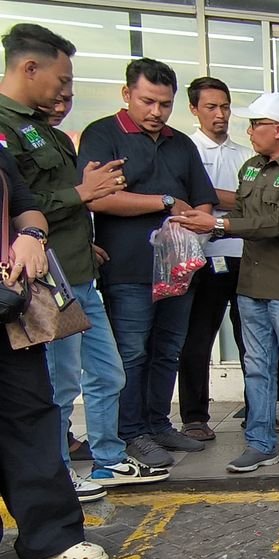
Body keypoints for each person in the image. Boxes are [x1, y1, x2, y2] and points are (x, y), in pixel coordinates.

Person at [0, 24, 168, 502]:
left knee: (108, 372)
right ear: (30, 68)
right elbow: (17, 204)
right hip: (44, 284)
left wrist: (83, 232)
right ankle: (58, 471)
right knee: (59, 384)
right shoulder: (5, 127)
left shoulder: (42, 129)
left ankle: (109, 459)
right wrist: (82, 193)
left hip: (78, 274)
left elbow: (53, 202)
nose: (65, 90)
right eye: (62, 78)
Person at [77, 58, 218, 469]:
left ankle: (158, 423)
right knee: (132, 352)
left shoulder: (180, 143)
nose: (156, 112)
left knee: (168, 349)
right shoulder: (104, 135)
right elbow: (98, 197)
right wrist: (165, 202)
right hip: (129, 270)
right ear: (127, 94)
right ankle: (132, 431)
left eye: (165, 104)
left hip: (179, 270)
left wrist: (195, 221)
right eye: (148, 102)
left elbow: (203, 198)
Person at [174, 92, 279, 472]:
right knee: (256, 366)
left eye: (256, 124)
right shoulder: (250, 169)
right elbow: (241, 213)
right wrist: (194, 227)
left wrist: (219, 224)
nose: (249, 130)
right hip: (250, 284)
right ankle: (261, 443)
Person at [0, 141, 109, 559]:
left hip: (8, 304)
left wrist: (31, 236)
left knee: (30, 413)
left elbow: (25, 204)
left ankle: (49, 538)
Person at [177, 76, 253, 443]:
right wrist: (227, 201)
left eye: (224, 106)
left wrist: (208, 200)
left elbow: (255, 203)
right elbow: (183, 202)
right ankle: (194, 416)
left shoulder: (245, 155)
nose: (220, 114)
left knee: (251, 340)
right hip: (201, 258)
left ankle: (257, 411)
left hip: (243, 255)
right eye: (211, 107)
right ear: (194, 108)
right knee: (197, 340)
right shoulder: (185, 150)